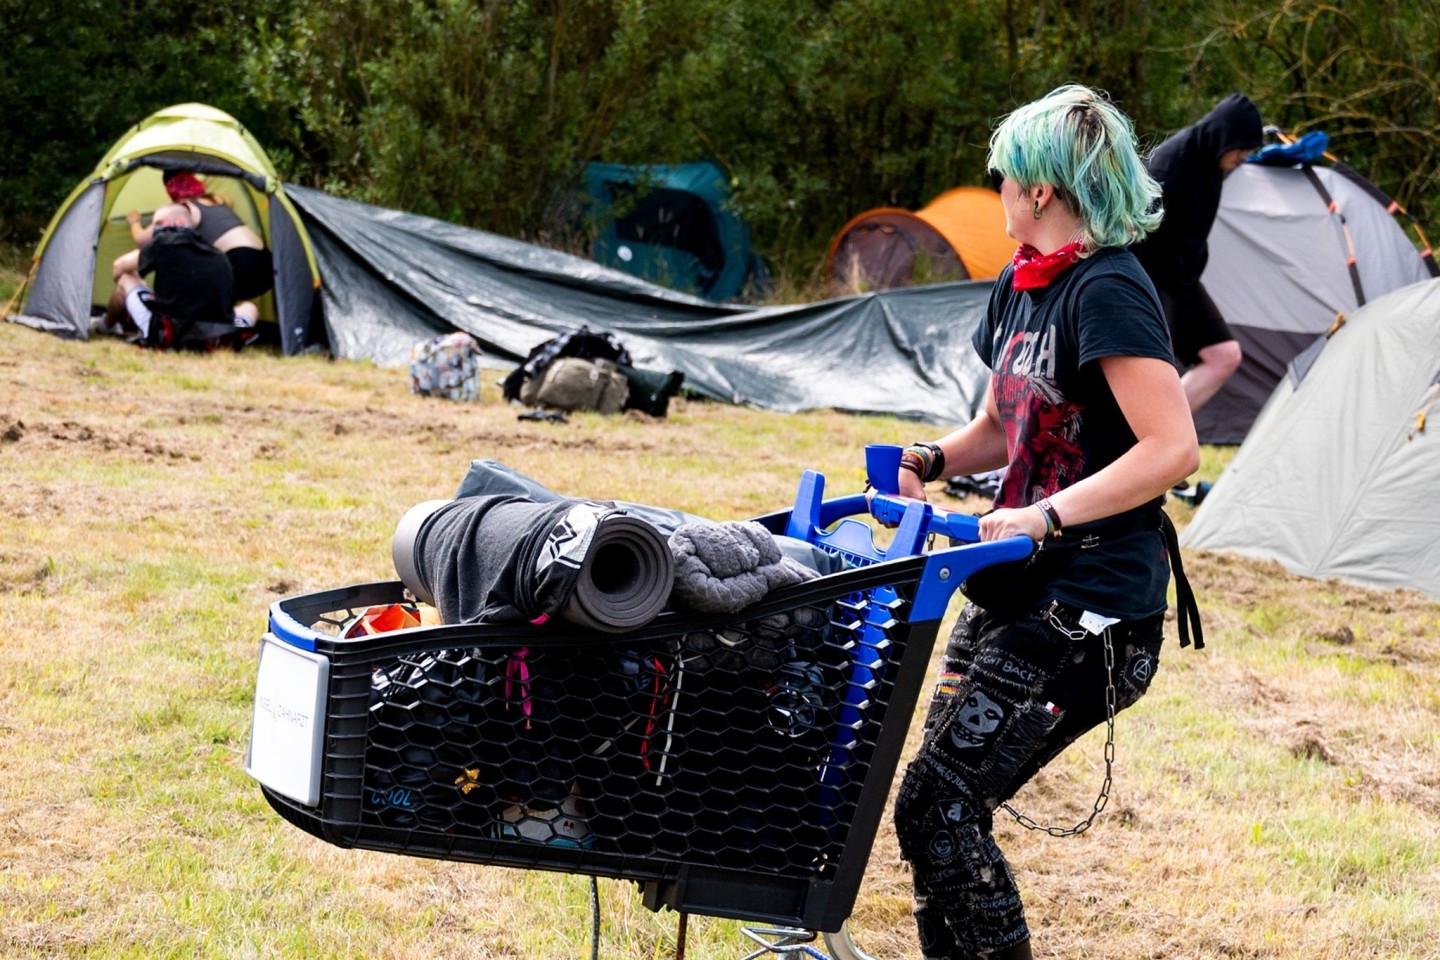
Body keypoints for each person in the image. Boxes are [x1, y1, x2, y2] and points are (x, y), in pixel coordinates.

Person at [878, 85, 1202, 960]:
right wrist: (933, 460)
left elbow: (1173, 450)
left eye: (1005, 177)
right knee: (931, 807)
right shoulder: (1019, 286)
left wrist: (1045, 513)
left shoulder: (1108, 289)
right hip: (1012, 584)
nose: (999, 193)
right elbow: (999, 427)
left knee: (938, 802)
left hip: (1093, 605)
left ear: (1043, 188)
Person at [1132, 94, 1264, 411]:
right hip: (1150, 283)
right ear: (1223, 138)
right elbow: (1131, 236)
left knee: (1223, 355)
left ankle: (1162, 427)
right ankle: (1143, 439)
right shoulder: (1169, 166)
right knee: (1155, 372)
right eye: (1242, 149)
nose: (1244, 157)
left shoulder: (1213, 161)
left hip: (1184, 282)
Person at [103, 203, 259, 349]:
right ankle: (226, 337)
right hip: (215, 335)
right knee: (249, 307)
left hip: (170, 332)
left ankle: (106, 325)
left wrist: (134, 287)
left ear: (180, 221)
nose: (155, 230)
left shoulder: (165, 242)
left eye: (158, 223)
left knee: (126, 279)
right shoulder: (218, 254)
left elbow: (119, 266)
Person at [124, 169, 274, 302]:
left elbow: (142, 240)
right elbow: (229, 204)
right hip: (266, 266)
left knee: (186, 276)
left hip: (240, 264)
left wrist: (134, 222)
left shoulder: (185, 208)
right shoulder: (217, 198)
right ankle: (235, 327)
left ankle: (175, 321)